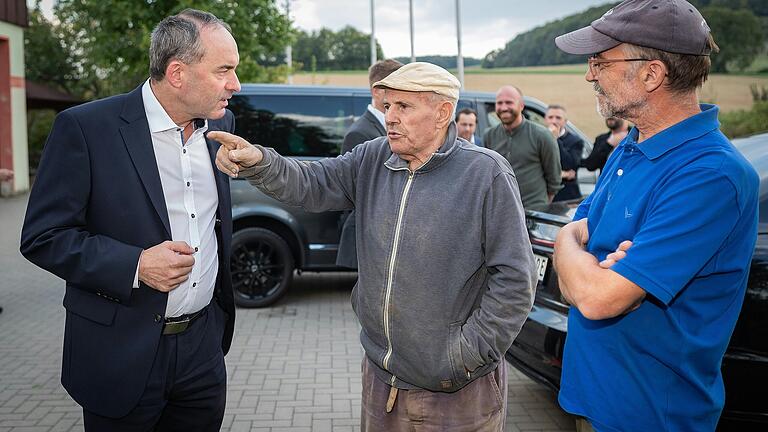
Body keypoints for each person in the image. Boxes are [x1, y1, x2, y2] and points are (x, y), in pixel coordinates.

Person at [212, 62, 536, 431]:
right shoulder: (372, 157)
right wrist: (260, 162)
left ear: (443, 112)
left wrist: (463, 357)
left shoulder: (485, 173)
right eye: (388, 107)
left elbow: (515, 280)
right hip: (382, 381)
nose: (390, 118)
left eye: (404, 107)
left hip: (456, 391)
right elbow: (312, 182)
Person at [20, 9, 239, 431]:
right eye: (224, 71)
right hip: (120, 352)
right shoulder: (86, 129)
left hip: (202, 352)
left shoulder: (221, 125)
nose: (235, 85)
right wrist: (135, 265)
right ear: (177, 73)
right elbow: (43, 237)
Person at [552, 1, 759, 431]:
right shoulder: (631, 144)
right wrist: (575, 248)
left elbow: (598, 298)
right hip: (591, 399)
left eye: (600, 61)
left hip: (651, 415)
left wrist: (568, 249)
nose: (590, 74)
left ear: (651, 74)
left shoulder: (711, 174)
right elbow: (580, 232)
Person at [337, 59, 403, 269]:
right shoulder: (360, 133)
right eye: (396, 88)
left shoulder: (387, 126)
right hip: (370, 237)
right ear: (377, 91)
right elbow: (354, 190)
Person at [483, 85, 561, 208]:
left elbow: (554, 179)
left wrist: (542, 206)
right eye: (499, 103)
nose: (503, 107)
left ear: (521, 105)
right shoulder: (489, 135)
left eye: (509, 102)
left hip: (533, 211)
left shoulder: (542, 135)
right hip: (502, 211)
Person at [545, 104, 584, 201]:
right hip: (544, 195)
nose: (554, 121)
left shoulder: (576, 141)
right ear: (545, 119)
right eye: (550, 117)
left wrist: (555, 139)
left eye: (558, 118)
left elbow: (569, 164)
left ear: (565, 121)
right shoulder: (539, 138)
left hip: (566, 196)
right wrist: (563, 174)